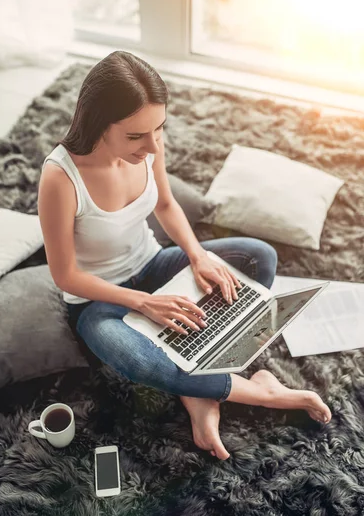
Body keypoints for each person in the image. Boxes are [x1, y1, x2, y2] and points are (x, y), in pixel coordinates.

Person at [38, 50, 332, 460]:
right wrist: (144, 303)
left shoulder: (149, 144)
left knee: (257, 258)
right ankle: (260, 392)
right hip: (99, 301)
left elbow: (166, 205)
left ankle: (196, 389)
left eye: (159, 128)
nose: (152, 144)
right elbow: (65, 275)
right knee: (143, 363)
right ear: (98, 123)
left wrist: (197, 255)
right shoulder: (60, 177)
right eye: (137, 136)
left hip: (153, 265)